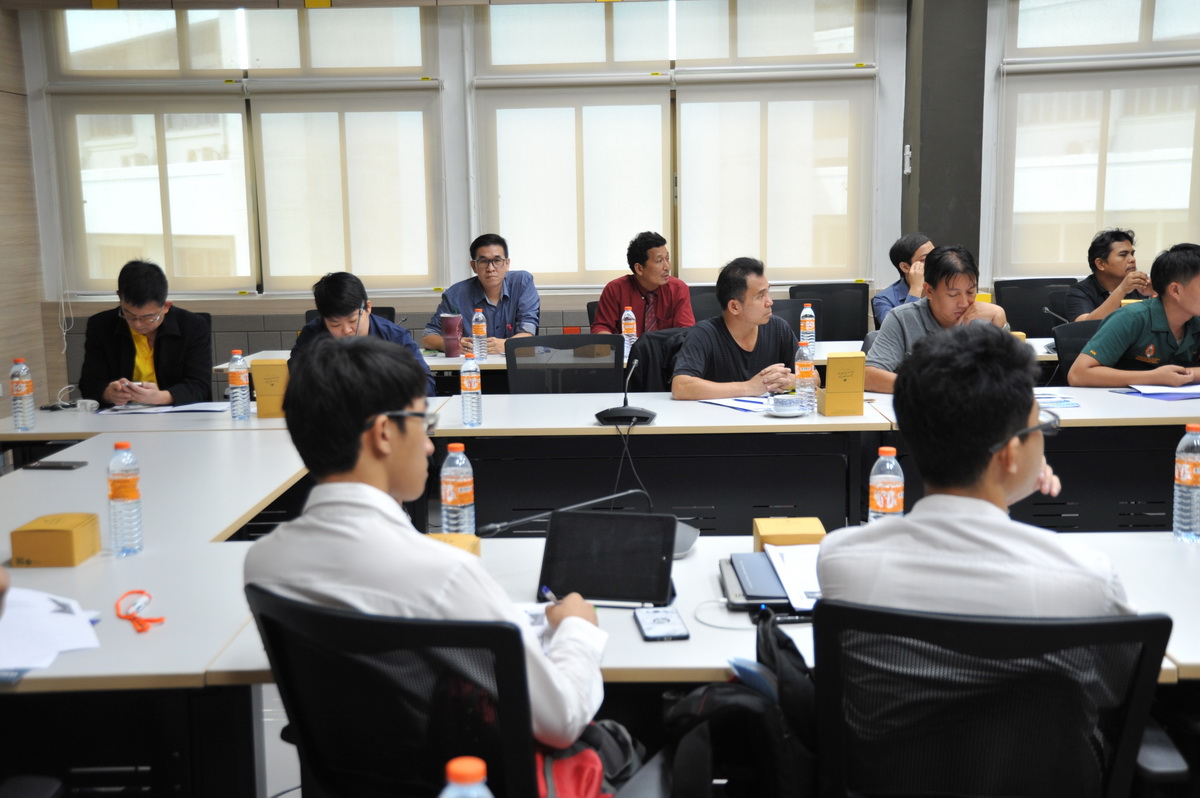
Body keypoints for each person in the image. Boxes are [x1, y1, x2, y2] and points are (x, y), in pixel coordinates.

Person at [244, 336, 606, 748]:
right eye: (424, 423)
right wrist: (577, 627)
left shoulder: (263, 562)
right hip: (463, 776)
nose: (431, 444)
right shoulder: (443, 573)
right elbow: (560, 720)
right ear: (384, 433)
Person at [819, 324, 1131, 617]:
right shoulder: (1088, 581)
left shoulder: (840, 560)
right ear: (1009, 453)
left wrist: (1006, 479)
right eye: (1039, 426)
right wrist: (1007, 481)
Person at [865, 245, 1008, 393]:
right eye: (953, 294)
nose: (964, 303)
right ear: (929, 291)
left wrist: (1000, 318)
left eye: (971, 292)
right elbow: (868, 376)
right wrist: (933, 387)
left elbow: (1009, 376)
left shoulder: (984, 319)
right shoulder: (902, 318)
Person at [672, 257, 817, 400]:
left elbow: (815, 378)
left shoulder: (778, 328)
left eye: (767, 292)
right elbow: (680, 387)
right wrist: (749, 387)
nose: (769, 301)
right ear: (734, 307)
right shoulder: (703, 334)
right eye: (760, 296)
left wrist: (788, 381)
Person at [79, 260, 213, 407]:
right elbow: (89, 383)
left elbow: (200, 385)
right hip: (121, 415)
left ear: (166, 306)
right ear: (119, 298)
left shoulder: (193, 326)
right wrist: (108, 394)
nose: (138, 324)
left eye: (149, 317)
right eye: (129, 315)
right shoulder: (101, 325)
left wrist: (161, 397)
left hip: (178, 413)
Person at [1068, 243, 1200, 388]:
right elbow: (1078, 374)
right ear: (1175, 290)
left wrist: (1187, 374)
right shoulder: (1130, 318)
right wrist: (1154, 377)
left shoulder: (1195, 319)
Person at [293, 271, 434, 397]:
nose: (346, 330)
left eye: (353, 320)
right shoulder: (312, 336)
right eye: (335, 324)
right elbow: (299, 385)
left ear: (368, 307)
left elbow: (426, 386)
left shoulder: (394, 337)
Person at [422, 233, 540, 356]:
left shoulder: (522, 283)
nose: (491, 268)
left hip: (513, 364)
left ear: (507, 264)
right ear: (474, 266)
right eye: (483, 261)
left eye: (497, 261)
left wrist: (506, 344)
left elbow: (528, 332)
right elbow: (428, 338)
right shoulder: (455, 295)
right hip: (471, 364)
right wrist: (453, 344)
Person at [592, 231, 695, 336]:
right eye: (659, 261)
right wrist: (610, 341)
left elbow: (686, 331)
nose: (667, 267)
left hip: (668, 347)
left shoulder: (677, 289)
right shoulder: (616, 289)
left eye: (667, 259)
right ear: (639, 268)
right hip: (628, 346)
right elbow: (602, 327)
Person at [1065, 228, 1153, 322]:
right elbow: (1084, 326)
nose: (1132, 259)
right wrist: (1122, 290)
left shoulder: (1140, 287)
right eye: (1123, 255)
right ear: (1101, 264)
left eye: (1132, 254)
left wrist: (1155, 293)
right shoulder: (1080, 292)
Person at [872, 233, 935, 328]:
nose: (935, 262)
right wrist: (915, 289)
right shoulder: (884, 299)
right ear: (905, 267)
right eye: (925, 259)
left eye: (935, 255)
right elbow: (897, 331)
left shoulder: (944, 287)